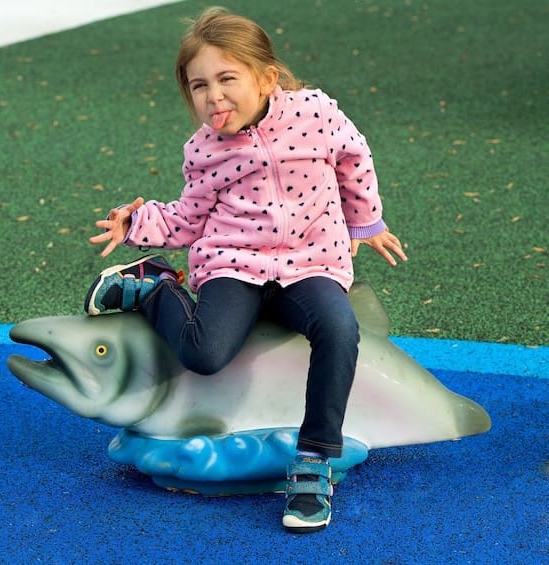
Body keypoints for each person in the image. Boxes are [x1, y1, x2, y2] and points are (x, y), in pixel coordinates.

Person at [85, 6, 407, 533]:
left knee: (339, 326)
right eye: (198, 86)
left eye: (227, 79)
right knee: (205, 353)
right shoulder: (204, 151)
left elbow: (355, 157)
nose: (213, 96)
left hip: (311, 264)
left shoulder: (315, 113)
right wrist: (136, 220)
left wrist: (366, 222)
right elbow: (188, 218)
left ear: (266, 78)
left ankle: (313, 460)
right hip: (234, 265)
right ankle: (153, 287)